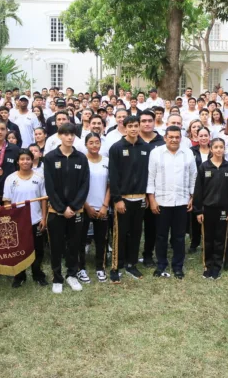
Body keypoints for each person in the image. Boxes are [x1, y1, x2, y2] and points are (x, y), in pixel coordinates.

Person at [42, 123, 90, 293]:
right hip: (56, 211)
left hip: (76, 211)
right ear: (60, 136)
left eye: (72, 134)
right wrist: (62, 209)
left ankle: (72, 275)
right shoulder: (50, 158)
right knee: (56, 245)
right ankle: (57, 277)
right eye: (66, 134)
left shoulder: (81, 158)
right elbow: (50, 187)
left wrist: (74, 207)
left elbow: (85, 185)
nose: (69, 137)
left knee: (74, 244)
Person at [147, 126, 197, 279]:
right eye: (171, 137)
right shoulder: (156, 153)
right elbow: (150, 177)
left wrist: (192, 197)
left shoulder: (188, 153)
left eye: (177, 137)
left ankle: (178, 266)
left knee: (179, 236)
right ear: (165, 138)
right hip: (161, 201)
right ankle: (161, 264)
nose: (174, 140)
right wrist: (152, 199)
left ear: (181, 138)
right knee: (161, 236)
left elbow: (193, 176)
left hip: (182, 201)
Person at [108, 115, 151, 283]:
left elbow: (149, 173)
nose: (133, 129)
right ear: (124, 128)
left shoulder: (145, 147)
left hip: (140, 198)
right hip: (123, 199)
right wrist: (117, 199)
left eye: (136, 126)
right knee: (120, 233)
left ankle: (131, 264)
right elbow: (113, 175)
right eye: (130, 126)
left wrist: (148, 195)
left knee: (136, 233)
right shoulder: (116, 148)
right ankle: (116, 266)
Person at [193, 138, 228, 279]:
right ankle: (208, 266)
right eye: (216, 147)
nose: (219, 149)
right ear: (211, 149)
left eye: (221, 147)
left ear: (224, 149)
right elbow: (198, 190)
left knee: (220, 239)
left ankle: (217, 267)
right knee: (208, 239)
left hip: (224, 210)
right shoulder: (204, 167)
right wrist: (198, 210)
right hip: (207, 209)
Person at [3, 149, 48, 288]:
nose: (25, 162)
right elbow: (7, 201)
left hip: (35, 220)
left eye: (28, 159)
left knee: (38, 249)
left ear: (32, 160)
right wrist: (10, 220)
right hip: (17, 222)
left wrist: (43, 218)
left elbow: (44, 199)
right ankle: (19, 276)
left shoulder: (39, 177)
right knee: (19, 250)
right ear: (18, 161)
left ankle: (37, 274)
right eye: (22, 159)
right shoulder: (10, 179)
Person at [81, 133, 110, 283]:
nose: (94, 145)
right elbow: (78, 186)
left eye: (97, 142)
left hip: (102, 207)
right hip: (84, 207)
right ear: (86, 144)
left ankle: (100, 267)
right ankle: (81, 268)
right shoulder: (81, 161)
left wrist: (105, 205)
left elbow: (110, 185)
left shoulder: (107, 161)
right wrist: (87, 206)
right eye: (91, 142)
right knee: (80, 239)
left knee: (101, 239)